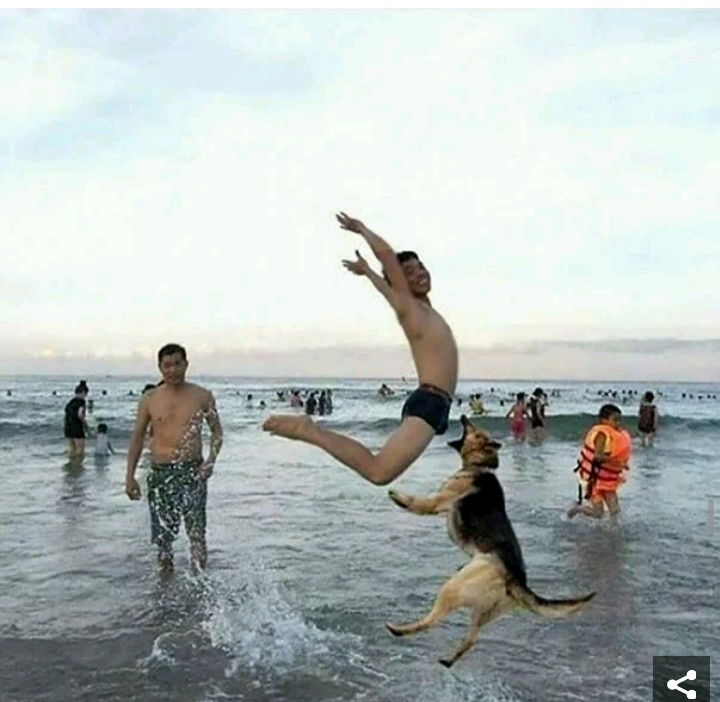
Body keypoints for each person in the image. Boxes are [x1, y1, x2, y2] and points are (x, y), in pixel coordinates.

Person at [263, 212, 458, 486]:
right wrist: (363, 230)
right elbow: (388, 259)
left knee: (382, 472)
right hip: (429, 401)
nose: (420, 273)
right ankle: (310, 431)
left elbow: (386, 289)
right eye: (409, 272)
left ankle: (310, 431)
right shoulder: (410, 308)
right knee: (379, 472)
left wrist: (367, 272)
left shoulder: (424, 309)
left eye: (420, 266)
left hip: (438, 402)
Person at [124, 343, 223, 573]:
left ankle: (200, 586)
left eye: (178, 364)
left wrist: (210, 461)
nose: (173, 370)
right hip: (160, 473)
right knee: (163, 541)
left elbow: (217, 433)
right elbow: (137, 438)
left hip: (193, 472)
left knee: (197, 535)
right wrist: (130, 476)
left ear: (186, 364)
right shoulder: (149, 399)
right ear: (160, 367)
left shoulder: (202, 396)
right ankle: (166, 586)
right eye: (167, 365)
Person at [567, 404, 631, 527]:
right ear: (604, 420)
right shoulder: (602, 434)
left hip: (607, 479)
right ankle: (577, 509)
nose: (618, 423)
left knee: (615, 509)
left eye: (619, 420)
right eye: (615, 420)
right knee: (598, 513)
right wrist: (618, 463)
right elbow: (598, 456)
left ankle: (614, 532)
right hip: (594, 479)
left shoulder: (614, 434)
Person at [64, 384, 90, 459]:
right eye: (86, 394)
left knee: (72, 449)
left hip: (68, 426)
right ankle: (78, 463)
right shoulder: (81, 402)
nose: (85, 396)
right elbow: (80, 414)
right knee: (80, 449)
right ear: (83, 392)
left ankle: (72, 462)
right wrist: (85, 424)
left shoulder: (70, 403)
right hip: (77, 426)